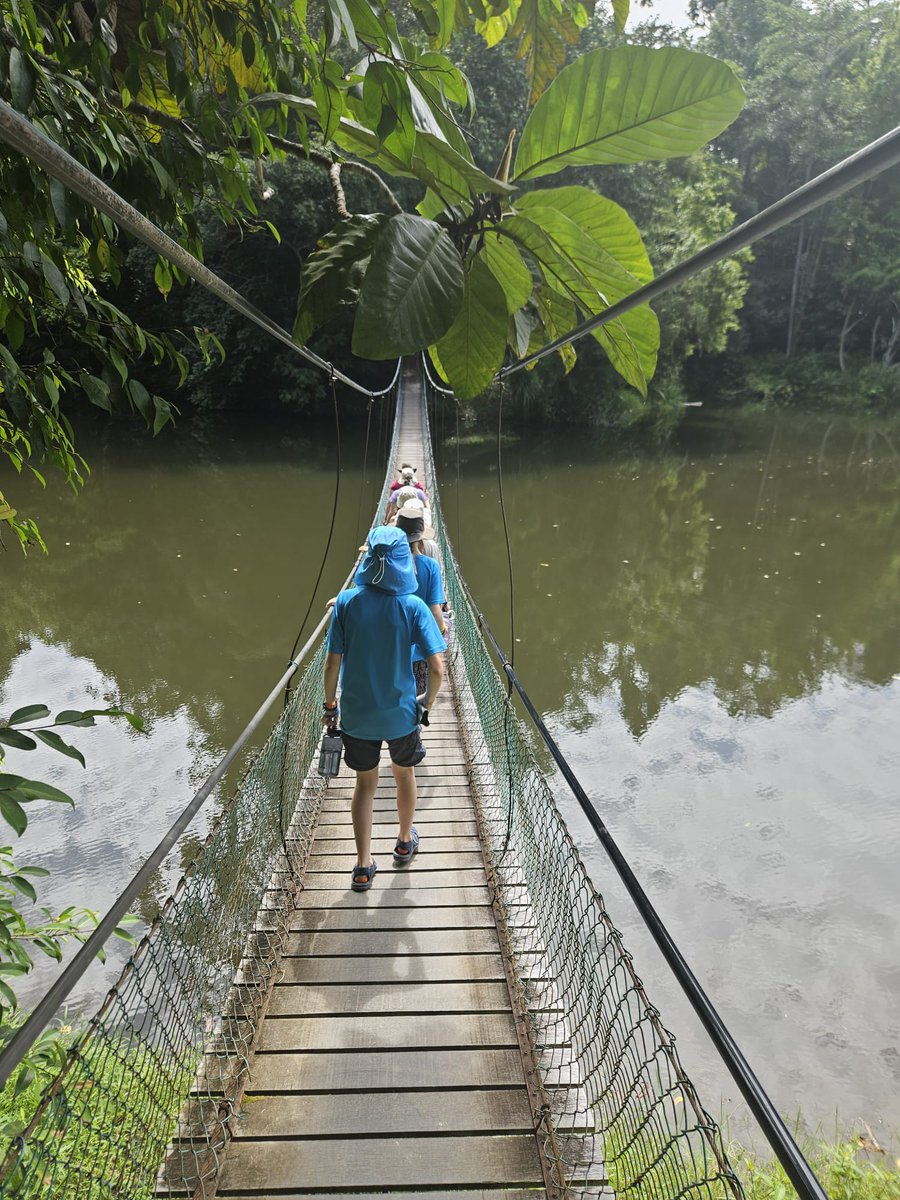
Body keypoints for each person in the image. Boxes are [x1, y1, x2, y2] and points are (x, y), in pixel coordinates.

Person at [323, 525, 445, 892]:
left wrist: (330, 707)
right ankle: (404, 841)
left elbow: (331, 665)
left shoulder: (345, 602)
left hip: (357, 716)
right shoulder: (414, 606)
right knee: (404, 775)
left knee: (365, 785)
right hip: (402, 715)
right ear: (403, 561)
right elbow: (437, 668)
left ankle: (362, 866)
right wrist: (425, 705)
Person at [395, 500, 446, 693]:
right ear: (420, 537)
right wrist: (440, 632)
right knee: (416, 696)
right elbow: (435, 611)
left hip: (388, 643)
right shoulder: (430, 566)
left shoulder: (387, 564)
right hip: (418, 648)